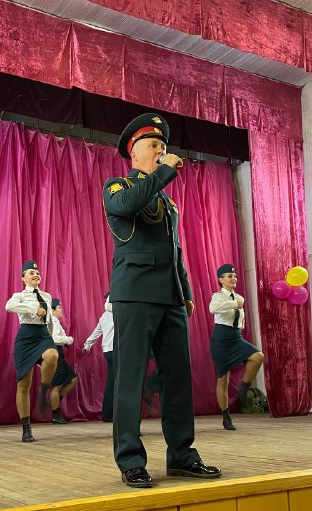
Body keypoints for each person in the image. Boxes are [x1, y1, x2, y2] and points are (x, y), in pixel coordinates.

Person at [103, 113, 221, 488]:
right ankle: (130, 460)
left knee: (178, 379)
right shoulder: (118, 186)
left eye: (163, 146)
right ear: (134, 153)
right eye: (153, 145)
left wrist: (185, 292)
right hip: (134, 295)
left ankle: (182, 456)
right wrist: (164, 172)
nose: (160, 150)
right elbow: (128, 206)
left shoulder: (168, 204)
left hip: (170, 298)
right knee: (130, 379)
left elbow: (175, 251)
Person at [4, 260, 59, 442]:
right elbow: (8, 306)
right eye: (31, 273)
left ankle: (44, 388)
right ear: (23, 278)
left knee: (52, 355)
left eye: (37, 273)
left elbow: (49, 320)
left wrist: (51, 338)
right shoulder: (19, 296)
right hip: (26, 338)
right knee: (23, 385)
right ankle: (26, 428)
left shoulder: (47, 296)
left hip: (43, 335)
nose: (35, 275)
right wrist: (33, 308)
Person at [209, 264, 264, 429]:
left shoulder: (239, 297)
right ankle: (226, 417)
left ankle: (243, 388)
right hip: (221, 339)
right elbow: (213, 309)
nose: (233, 278)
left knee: (258, 357)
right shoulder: (218, 296)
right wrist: (234, 304)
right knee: (223, 380)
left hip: (236, 337)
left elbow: (240, 319)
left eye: (234, 276)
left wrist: (237, 305)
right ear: (221, 280)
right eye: (229, 276)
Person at [46, 298, 79, 424]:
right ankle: (55, 415)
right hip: (55, 353)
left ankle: (56, 402)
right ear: (52, 310)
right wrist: (68, 340)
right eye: (59, 307)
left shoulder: (54, 321)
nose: (61, 310)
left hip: (58, 354)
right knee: (57, 385)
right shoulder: (53, 322)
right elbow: (54, 339)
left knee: (73, 379)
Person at [83, 293, 115, 422]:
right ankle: (109, 414)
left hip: (107, 351)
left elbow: (96, 332)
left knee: (112, 381)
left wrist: (87, 345)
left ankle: (108, 413)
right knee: (116, 382)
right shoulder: (118, 314)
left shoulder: (104, 316)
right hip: (116, 350)